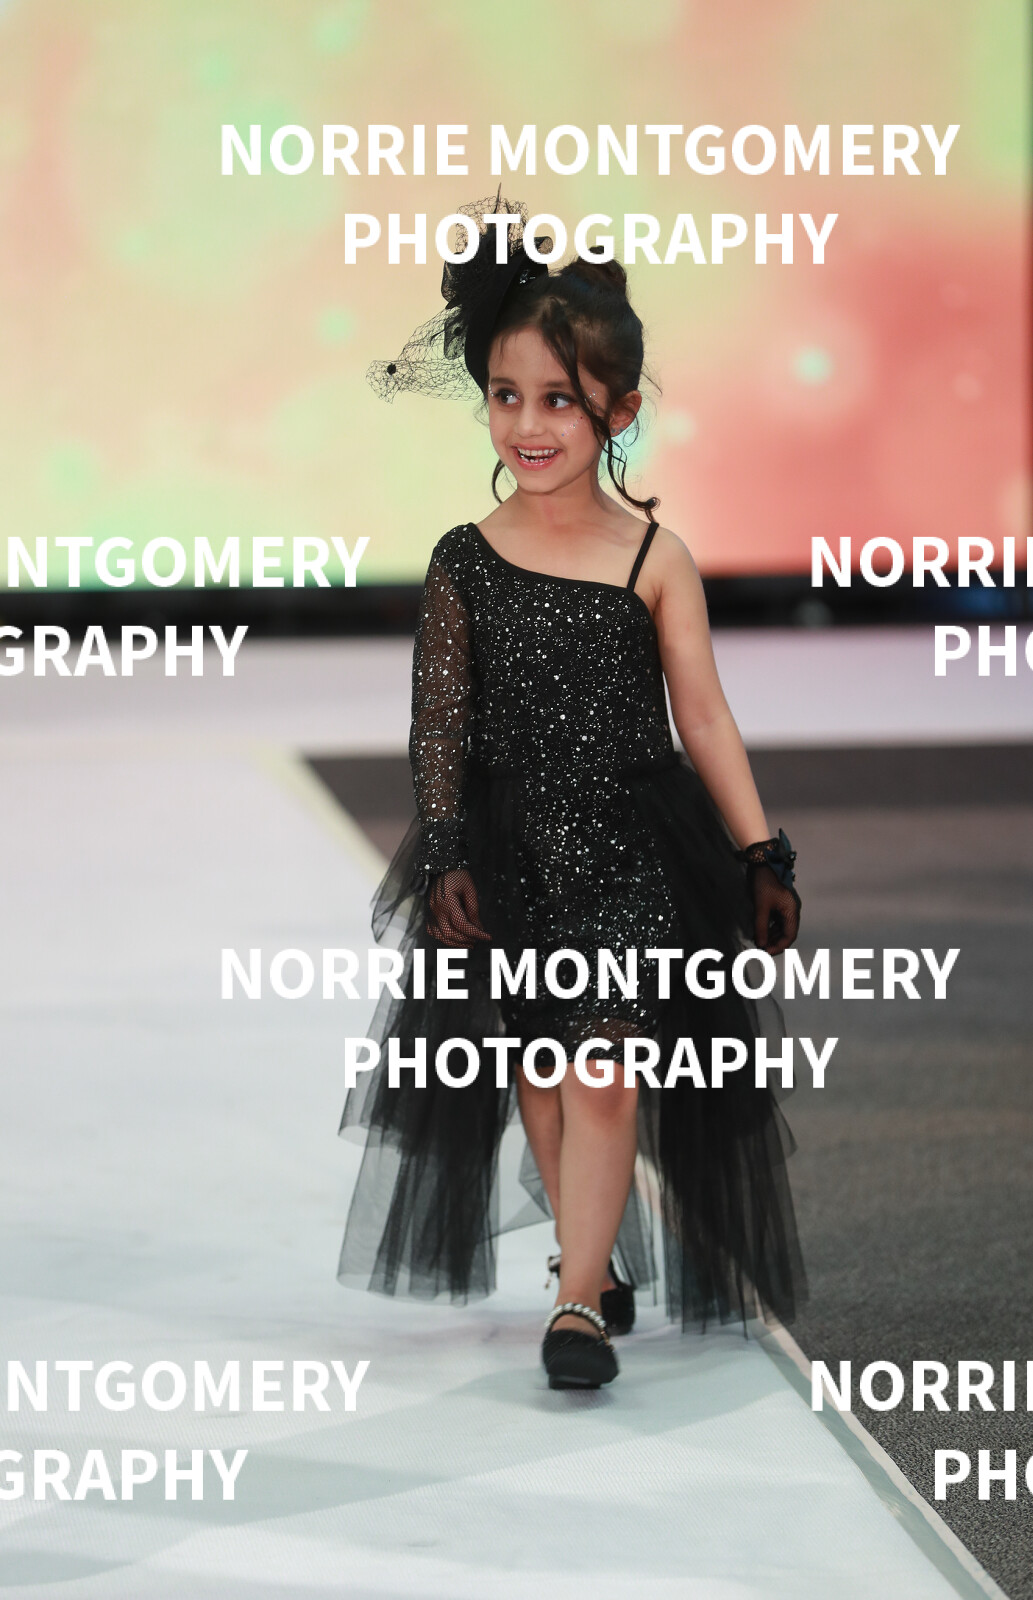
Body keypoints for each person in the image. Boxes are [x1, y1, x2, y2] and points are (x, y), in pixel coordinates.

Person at [338, 193, 805, 1391]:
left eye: (558, 399)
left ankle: (577, 1308)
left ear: (620, 411)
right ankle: (586, 1258)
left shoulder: (654, 559)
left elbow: (703, 715)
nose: (528, 423)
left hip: (634, 847)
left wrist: (759, 851)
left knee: (605, 1067)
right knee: (541, 1074)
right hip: (509, 852)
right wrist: (448, 848)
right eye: (506, 395)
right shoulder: (463, 560)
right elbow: (438, 723)